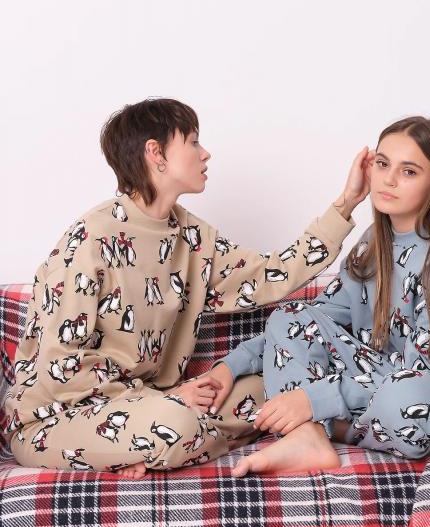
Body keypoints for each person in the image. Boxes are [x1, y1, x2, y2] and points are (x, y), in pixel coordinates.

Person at [4, 97, 369, 479]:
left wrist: (345, 204)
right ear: (156, 153)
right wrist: (161, 400)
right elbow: (61, 369)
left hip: (152, 407)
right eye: (193, 142)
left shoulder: (191, 236)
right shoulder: (90, 239)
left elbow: (268, 276)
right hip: (55, 418)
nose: (205, 153)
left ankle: (148, 447)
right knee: (176, 423)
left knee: (270, 388)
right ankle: (156, 442)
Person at [207, 115, 430, 477]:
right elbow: (313, 322)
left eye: (409, 171)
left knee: (402, 397)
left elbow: (419, 374)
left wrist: (316, 397)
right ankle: (308, 436)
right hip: (388, 382)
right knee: (290, 317)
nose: (389, 179)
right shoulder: (372, 246)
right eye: (382, 164)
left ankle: (334, 425)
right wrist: (230, 365)